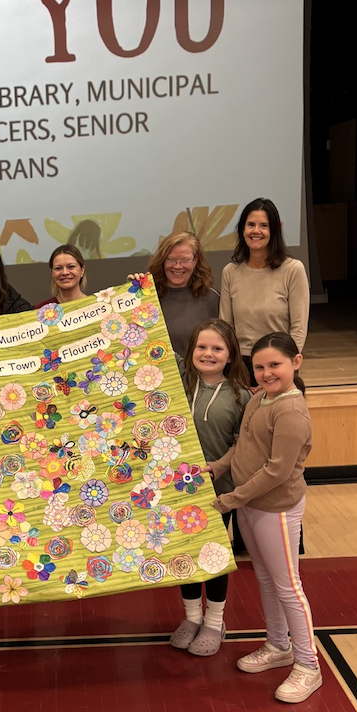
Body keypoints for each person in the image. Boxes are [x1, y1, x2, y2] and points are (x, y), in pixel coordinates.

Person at [205, 332, 320, 703]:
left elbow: (277, 471)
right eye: (260, 366)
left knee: (288, 586)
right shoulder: (258, 398)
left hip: (276, 508)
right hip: (250, 505)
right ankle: (277, 645)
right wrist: (219, 466)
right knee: (267, 580)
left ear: (295, 363)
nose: (267, 373)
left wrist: (229, 500)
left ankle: (308, 665)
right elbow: (242, 444)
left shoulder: (291, 411)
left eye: (275, 365)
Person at [169, 320, 251, 657]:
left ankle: (215, 621)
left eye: (217, 348)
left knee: (213, 554)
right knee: (184, 554)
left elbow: (242, 442)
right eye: (201, 347)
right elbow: (145, 337)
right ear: (190, 353)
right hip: (177, 489)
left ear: (231, 355)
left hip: (218, 489)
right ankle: (191, 617)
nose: (208, 353)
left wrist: (219, 466)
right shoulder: (177, 383)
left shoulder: (242, 396)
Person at [219, 198, 310, 385]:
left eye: (264, 225)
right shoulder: (230, 271)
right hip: (240, 364)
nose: (256, 231)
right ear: (242, 230)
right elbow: (225, 325)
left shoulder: (293, 269)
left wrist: (287, 363)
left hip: (278, 363)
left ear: (274, 231)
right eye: (250, 224)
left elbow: (299, 328)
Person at [131, 232, 219, 358]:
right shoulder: (146, 296)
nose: (177, 266)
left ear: (196, 260)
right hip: (151, 376)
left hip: (196, 376)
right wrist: (130, 294)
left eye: (185, 260)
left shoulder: (211, 299)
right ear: (162, 260)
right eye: (171, 259)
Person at [36, 244, 87, 308]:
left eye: (71, 266)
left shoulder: (97, 307)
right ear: (52, 273)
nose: (65, 272)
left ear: (82, 270)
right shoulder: (41, 310)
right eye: (58, 268)